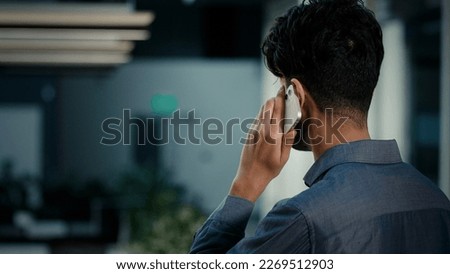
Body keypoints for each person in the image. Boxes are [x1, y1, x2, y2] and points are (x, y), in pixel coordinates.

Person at [189, 0, 450, 253]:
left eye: (282, 89)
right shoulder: (437, 201)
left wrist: (245, 184)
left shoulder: (301, 219)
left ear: (297, 96)